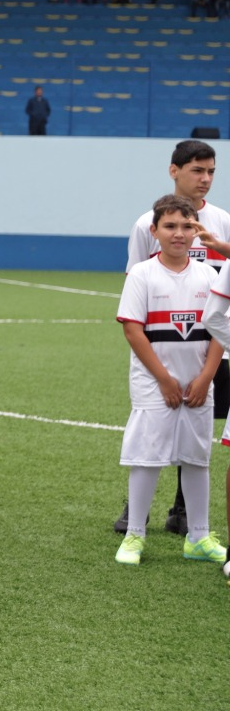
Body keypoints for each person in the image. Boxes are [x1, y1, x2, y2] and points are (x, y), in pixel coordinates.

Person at [120, 139, 230, 535]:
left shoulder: (222, 220)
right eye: (197, 170)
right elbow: (136, 282)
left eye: (211, 171)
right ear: (174, 171)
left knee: (199, 424)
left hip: (211, 342)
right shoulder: (144, 224)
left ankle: (184, 511)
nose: (205, 179)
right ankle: (136, 512)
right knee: (152, 426)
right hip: (162, 343)